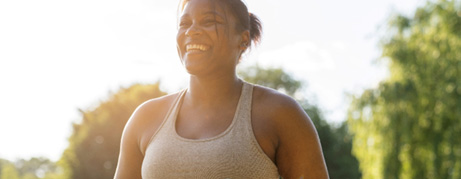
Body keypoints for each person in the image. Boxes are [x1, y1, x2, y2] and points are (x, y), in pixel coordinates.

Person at [114, 0, 329, 178]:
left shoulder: (281, 114)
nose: (192, 31)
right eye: (184, 23)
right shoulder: (144, 118)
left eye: (209, 21)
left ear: (243, 40)